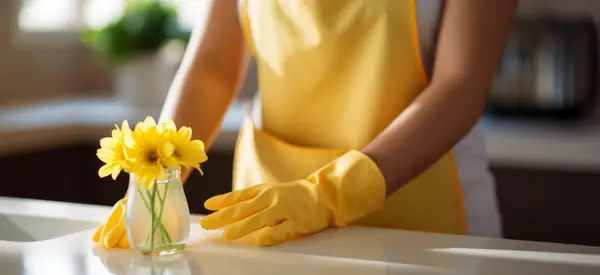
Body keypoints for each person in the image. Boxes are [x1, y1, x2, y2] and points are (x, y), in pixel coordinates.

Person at [93, 0, 518, 249]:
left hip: (420, 235)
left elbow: (461, 84)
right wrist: (159, 175)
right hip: (269, 230)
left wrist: (331, 193)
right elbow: (212, 66)